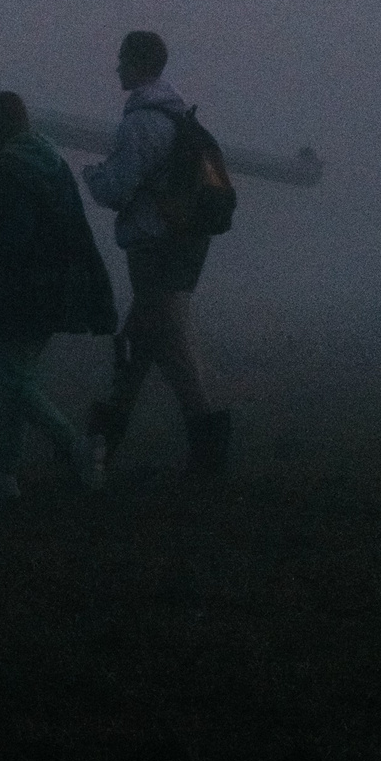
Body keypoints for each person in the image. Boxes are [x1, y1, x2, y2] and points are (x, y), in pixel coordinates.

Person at [0, 91, 119, 498]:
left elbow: (1, 228)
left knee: (13, 377)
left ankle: (73, 446)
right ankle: (3, 476)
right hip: (62, 281)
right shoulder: (51, 159)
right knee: (18, 376)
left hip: (23, 282)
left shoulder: (5, 165)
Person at [81, 30, 232, 479]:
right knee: (143, 346)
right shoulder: (176, 115)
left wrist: (90, 175)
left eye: (122, 59)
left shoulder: (142, 122)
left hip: (154, 248)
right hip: (183, 244)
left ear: (137, 63)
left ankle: (200, 448)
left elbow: (116, 189)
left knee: (159, 345)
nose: (116, 68)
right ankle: (101, 451)